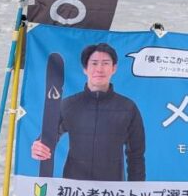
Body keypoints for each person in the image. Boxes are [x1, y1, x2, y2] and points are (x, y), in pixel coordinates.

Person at [31, 43, 146, 181]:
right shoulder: (70, 105)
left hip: (112, 187)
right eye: (94, 63)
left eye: (105, 63)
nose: (99, 69)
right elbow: (49, 136)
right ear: (85, 68)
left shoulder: (127, 108)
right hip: (75, 187)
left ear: (114, 68)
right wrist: (39, 146)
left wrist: (136, 190)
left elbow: (136, 156)